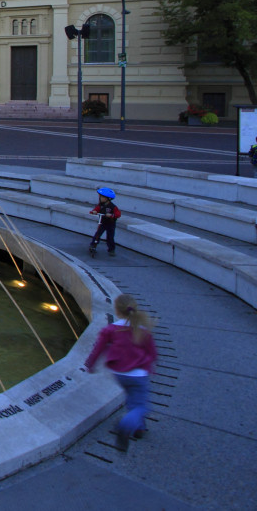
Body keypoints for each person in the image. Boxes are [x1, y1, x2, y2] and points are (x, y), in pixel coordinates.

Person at [82, 293, 158, 452]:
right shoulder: (143, 330)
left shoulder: (110, 329)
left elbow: (98, 348)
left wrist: (90, 364)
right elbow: (152, 352)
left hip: (119, 374)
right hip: (138, 374)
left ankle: (139, 428)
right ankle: (125, 425)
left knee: (133, 399)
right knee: (141, 406)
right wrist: (151, 366)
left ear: (117, 311)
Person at [89, 187, 121, 257]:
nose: (100, 198)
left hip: (110, 223)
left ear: (107, 198)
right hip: (102, 222)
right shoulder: (100, 205)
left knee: (110, 237)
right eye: (100, 196)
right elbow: (96, 209)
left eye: (102, 197)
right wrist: (94, 211)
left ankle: (111, 249)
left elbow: (118, 214)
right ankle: (93, 245)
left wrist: (112, 215)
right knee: (98, 234)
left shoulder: (113, 207)